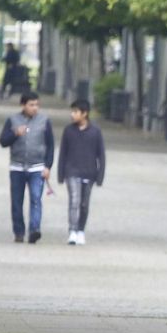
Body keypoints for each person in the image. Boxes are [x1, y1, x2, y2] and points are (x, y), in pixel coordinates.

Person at [0, 92, 54, 244]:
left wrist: (48, 166)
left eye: (37, 104)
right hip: (17, 167)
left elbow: (50, 145)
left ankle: (34, 229)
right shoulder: (12, 120)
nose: (34, 108)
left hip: (37, 167)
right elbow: (3, 141)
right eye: (31, 105)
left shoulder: (44, 121)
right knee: (17, 201)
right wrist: (15, 133)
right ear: (23, 105)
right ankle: (19, 231)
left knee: (36, 198)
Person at [56, 98, 106, 245]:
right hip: (71, 171)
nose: (72, 114)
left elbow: (101, 155)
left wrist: (100, 175)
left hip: (89, 172)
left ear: (85, 113)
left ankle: (80, 230)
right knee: (74, 201)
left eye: (76, 112)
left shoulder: (95, 132)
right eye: (72, 111)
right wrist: (61, 174)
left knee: (84, 204)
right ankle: (72, 230)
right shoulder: (68, 131)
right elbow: (63, 153)